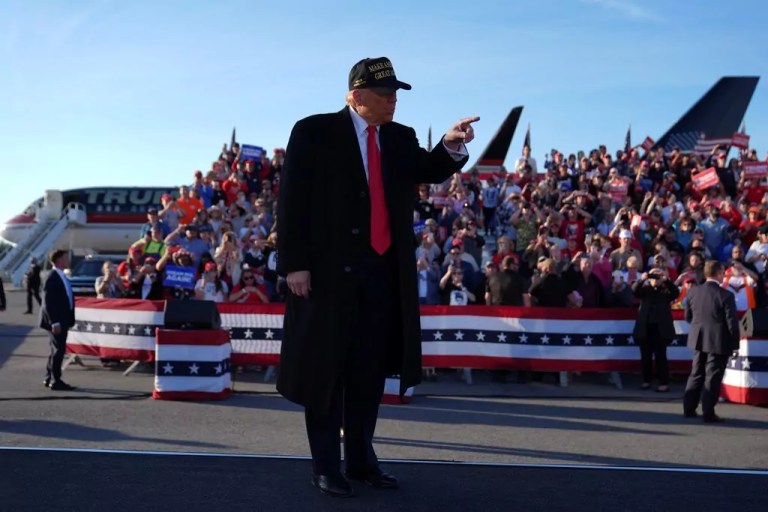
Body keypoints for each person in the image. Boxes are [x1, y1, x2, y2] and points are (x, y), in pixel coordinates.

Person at [276, 56, 475, 498]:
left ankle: (362, 461)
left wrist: (450, 145)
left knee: (368, 373)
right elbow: (291, 200)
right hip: (327, 277)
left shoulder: (400, 138)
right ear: (356, 96)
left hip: (383, 274)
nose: (393, 102)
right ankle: (326, 466)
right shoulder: (313, 131)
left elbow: (428, 170)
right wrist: (294, 263)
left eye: (396, 95)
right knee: (326, 373)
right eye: (386, 95)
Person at [683, 260, 740, 423]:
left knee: (696, 372)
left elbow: (688, 316)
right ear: (719, 273)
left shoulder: (693, 292)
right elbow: (732, 323)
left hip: (698, 338)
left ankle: (689, 408)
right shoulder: (726, 295)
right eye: (723, 272)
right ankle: (708, 412)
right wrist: (734, 345)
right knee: (712, 376)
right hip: (717, 340)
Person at [632, 268, 679, 392]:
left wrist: (666, 281)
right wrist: (642, 279)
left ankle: (663, 382)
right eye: (654, 276)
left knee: (660, 356)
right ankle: (646, 380)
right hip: (645, 327)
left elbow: (675, 293)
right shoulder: (645, 291)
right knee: (645, 356)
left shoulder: (665, 292)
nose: (656, 279)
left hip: (660, 329)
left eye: (658, 276)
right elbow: (634, 291)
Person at [39, 249, 76, 391]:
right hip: (56, 321)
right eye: (66, 258)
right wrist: (54, 321)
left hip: (62, 319)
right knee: (58, 350)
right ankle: (56, 380)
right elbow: (48, 302)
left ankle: (49, 377)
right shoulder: (52, 277)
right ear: (59, 260)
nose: (68, 260)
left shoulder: (61, 276)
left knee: (56, 349)